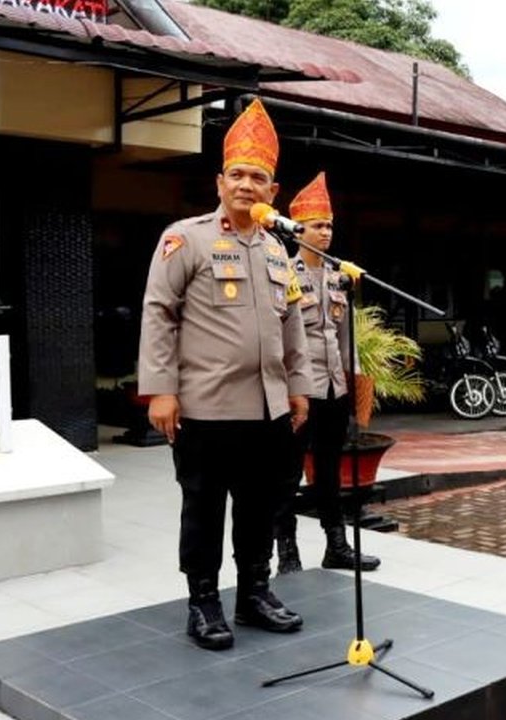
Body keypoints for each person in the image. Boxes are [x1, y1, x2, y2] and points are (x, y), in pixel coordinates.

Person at [139, 98, 309, 651]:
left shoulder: (281, 253)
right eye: (236, 175)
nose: (246, 185)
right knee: (205, 508)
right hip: (205, 409)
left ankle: (254, 593)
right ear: (218, 182)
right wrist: (161, 390)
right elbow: (158, 312)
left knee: (261, 506)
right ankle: (204, 602)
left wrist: (300, 388)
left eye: (257, 177)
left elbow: (295, 329)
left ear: (272, 192)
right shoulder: (185, 239)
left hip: (269, 410)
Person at [271, 172, 380, 576]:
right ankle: (287, 551)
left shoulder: (339, 278)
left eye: (330, 225)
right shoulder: (284, 274)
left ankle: (337, 544)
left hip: (333, 389)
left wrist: (356, 388)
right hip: (299, 390)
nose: (326, 232)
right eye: (318, 225)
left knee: (331, 470)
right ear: (298, 229)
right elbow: (279, 337)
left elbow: (346, 339)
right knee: (288, 472)